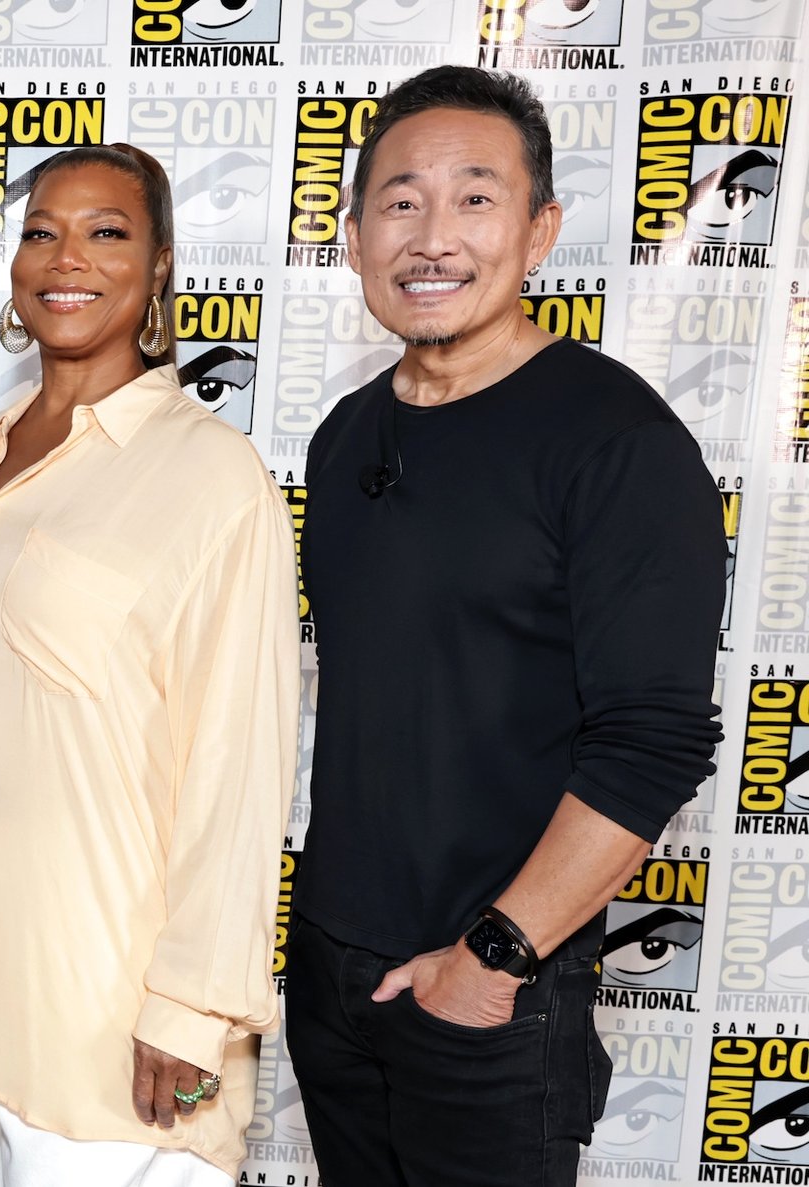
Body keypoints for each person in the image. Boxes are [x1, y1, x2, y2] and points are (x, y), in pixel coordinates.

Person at [290, 66, 724, 1187]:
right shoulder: (344, 436)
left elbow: (653, 742)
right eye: (401, 201)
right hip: (333, 975)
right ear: (354, 236)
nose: (433, 237)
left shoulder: (617, 441)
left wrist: (494, 956)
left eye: (475, 199)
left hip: (490, 992)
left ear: (541, 231)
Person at [0, 143, 299, 1185]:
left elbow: (239, 767)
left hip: (107, 1016)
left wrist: (191, 1007)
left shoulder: (212, 474)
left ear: (159, 267)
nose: (67, 257)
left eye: (107, 232)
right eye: (41, 231)